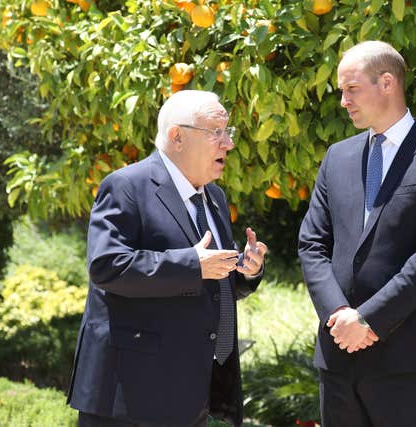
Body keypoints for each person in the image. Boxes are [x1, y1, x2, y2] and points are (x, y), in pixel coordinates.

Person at [67, 90, 268, 427]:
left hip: (189, 392)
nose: (228, 144)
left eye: (227, 132)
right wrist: (193, 265)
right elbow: (107, 266)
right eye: (216, 132)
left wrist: (246, 271)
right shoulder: (126, 186)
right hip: (129, 396)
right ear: (178, 136)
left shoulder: (214, 197)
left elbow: (212, 279)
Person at [298, 41, 416, 426]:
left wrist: (369, 320)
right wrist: (340, 315)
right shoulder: (336, 157)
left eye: (351, 88)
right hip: (337, 351)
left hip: (404, 358)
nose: (343, 101)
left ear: (387, 82)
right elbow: (311, 244)